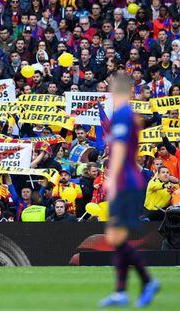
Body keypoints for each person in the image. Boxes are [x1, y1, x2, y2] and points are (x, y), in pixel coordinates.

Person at [100, 74, 159, 308]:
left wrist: (111, 178)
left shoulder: (123, 114)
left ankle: (144, 282)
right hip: (128, 180)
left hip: (125, 181)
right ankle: (122, 291)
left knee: (116, 236)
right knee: (117, 236)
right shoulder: (126, 116)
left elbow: (122, 148)